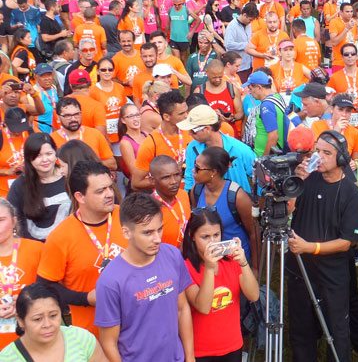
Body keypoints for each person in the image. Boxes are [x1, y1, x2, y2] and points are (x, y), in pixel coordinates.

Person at [286, 130, 358, 361]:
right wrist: (296, 184)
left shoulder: (350, 193)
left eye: (326, 152)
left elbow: (346, 242)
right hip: (300, 270)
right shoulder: (306, 180)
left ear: (341, 159)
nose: (318, 157)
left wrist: (310, 247)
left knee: (337, 330)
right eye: (316, 151)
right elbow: (287, 211)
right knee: (301, 329)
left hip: (332, 274)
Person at [95, 192, 195, 361]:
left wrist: (190, 357)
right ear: (126, 233)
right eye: (148, 233)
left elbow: (182, 308)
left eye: (160, 229)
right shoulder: (110, 281)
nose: (157, 239)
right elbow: (108, 342)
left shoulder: (172, 255)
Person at [37, 161, 126, 336]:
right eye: (100, 191)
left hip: (134, 326)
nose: (109, 194)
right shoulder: (60, 236)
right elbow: (45, 287)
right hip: (92, 335)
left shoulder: (127, 216)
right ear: (80, 197)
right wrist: (86, 299)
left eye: (110, 187)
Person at [182, 207, 259, 361]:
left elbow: (254, 295)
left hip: (233, 345)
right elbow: (203, 307)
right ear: (192, 237)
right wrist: (210, 269)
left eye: (216, 235)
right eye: (205, 236)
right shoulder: (186, 266)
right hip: (202, 351)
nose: (212, 242)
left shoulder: (231, 260)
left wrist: (243, 263)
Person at [190, 147, 257, 274]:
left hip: (236, 262)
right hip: (209, 263)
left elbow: (254, 233)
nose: (193, 171)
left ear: (213, 172)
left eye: (198, 168)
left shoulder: (237, 197)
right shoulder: (196, 191)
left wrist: (255, 268)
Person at [0, 283, 104, 361]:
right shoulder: (7, 358)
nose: (47, 324)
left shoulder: (81, 338)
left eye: (53, 315)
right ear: (20, 321)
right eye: (37, 319)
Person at [7, 133, 71, 241]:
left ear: (56, 153)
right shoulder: (20, 185)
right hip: (34, 248)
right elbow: (13, 218)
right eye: (38, 156)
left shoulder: (68, 178)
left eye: (49, 153)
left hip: (68, 245)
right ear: (29, 159)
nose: (45, 159)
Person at [180, 104, 255, 192]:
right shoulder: (192, 148)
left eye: (193, 130)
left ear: (207, 129)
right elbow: (189, 178)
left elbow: (258, 178)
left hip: (236, 203)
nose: (189, 134)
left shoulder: (241, 150)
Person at [0, 198, 44, 349]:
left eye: (1, 220)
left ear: (14, 221)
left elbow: (54, 291)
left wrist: (24, 301)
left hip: (34, 338)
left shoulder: (37, 249)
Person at [132, 90, 191, 191]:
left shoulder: (191, 132)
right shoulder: (151, 143)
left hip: (191, 195)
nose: (186, 116)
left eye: (187, 111)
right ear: (166, 117)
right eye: (181, 113)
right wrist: (165, 180)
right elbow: (136, 183)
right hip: (166, 200)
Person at [50, 97, 116, 170]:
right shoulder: (52, 140)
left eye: (76, 114)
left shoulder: (95, 134)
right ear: (58, 118)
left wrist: (90, 164)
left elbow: (112, 164)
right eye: (67, 116)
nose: (73, 119)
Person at [241, 70, 290, 156]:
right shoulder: (277, 96)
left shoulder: (266, 106)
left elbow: (273, 136)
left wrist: (264, 160)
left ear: (259, 87)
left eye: (250, 88)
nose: (249, 92)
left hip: (265, 156)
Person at [89, 58, 126, 149]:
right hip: (104, 135)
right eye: (103, 70)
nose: (107, 72)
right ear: (98, 71)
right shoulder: (92, 91)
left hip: (121, 133)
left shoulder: (120, 87)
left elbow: (124, 110)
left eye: (110, 69)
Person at [65, 69, 108, 135]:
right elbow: (101, 135)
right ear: (90, 84)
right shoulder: (97, 106)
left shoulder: (61, 104)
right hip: (90, 143)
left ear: (70, 85)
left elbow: (56, 132)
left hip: (67, 143)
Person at [223, 3, 258, 81]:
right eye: (250, 20)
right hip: (239, 67)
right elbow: (228, 44)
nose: (250, 22)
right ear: (244, 15)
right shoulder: (232, 26)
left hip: (249, 64)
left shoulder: (248, 25)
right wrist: (245, 45)